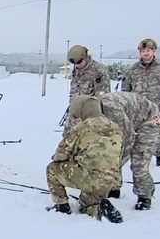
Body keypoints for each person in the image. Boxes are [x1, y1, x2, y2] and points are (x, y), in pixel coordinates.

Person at [46, 95, 123, 223]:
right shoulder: (116, 128)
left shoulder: (81, 128)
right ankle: (100, 209)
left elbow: (60, 155)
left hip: (88, 176)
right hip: (110, 180)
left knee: (52, 169)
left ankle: (61, 205)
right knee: (87, 205)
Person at [98, 91, 160, 211]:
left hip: (148, 121)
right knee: (110, 153)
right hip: (131, 118)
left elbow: (127, 139)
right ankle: (113, 188)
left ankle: (144, 196)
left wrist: (113, 164)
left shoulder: (112, 110)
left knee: (139, 163)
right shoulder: (80, 111)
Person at [121, 38, 160, 168]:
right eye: (143, 51)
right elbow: (126, 89)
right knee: (133, 132)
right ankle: (135, 156)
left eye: (148, 50)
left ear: (153, 51)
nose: (146, 53)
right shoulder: (132, 70)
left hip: (154, 107)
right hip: (136, 108)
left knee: (157, 132)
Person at [63, 44, 111, 135]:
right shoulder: (77, 69)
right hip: (75, 114)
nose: (76, 66)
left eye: (79, 62)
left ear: (85, 57)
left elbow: (103, 97)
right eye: (74, 64)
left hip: (91, 116)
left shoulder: (99, 70)